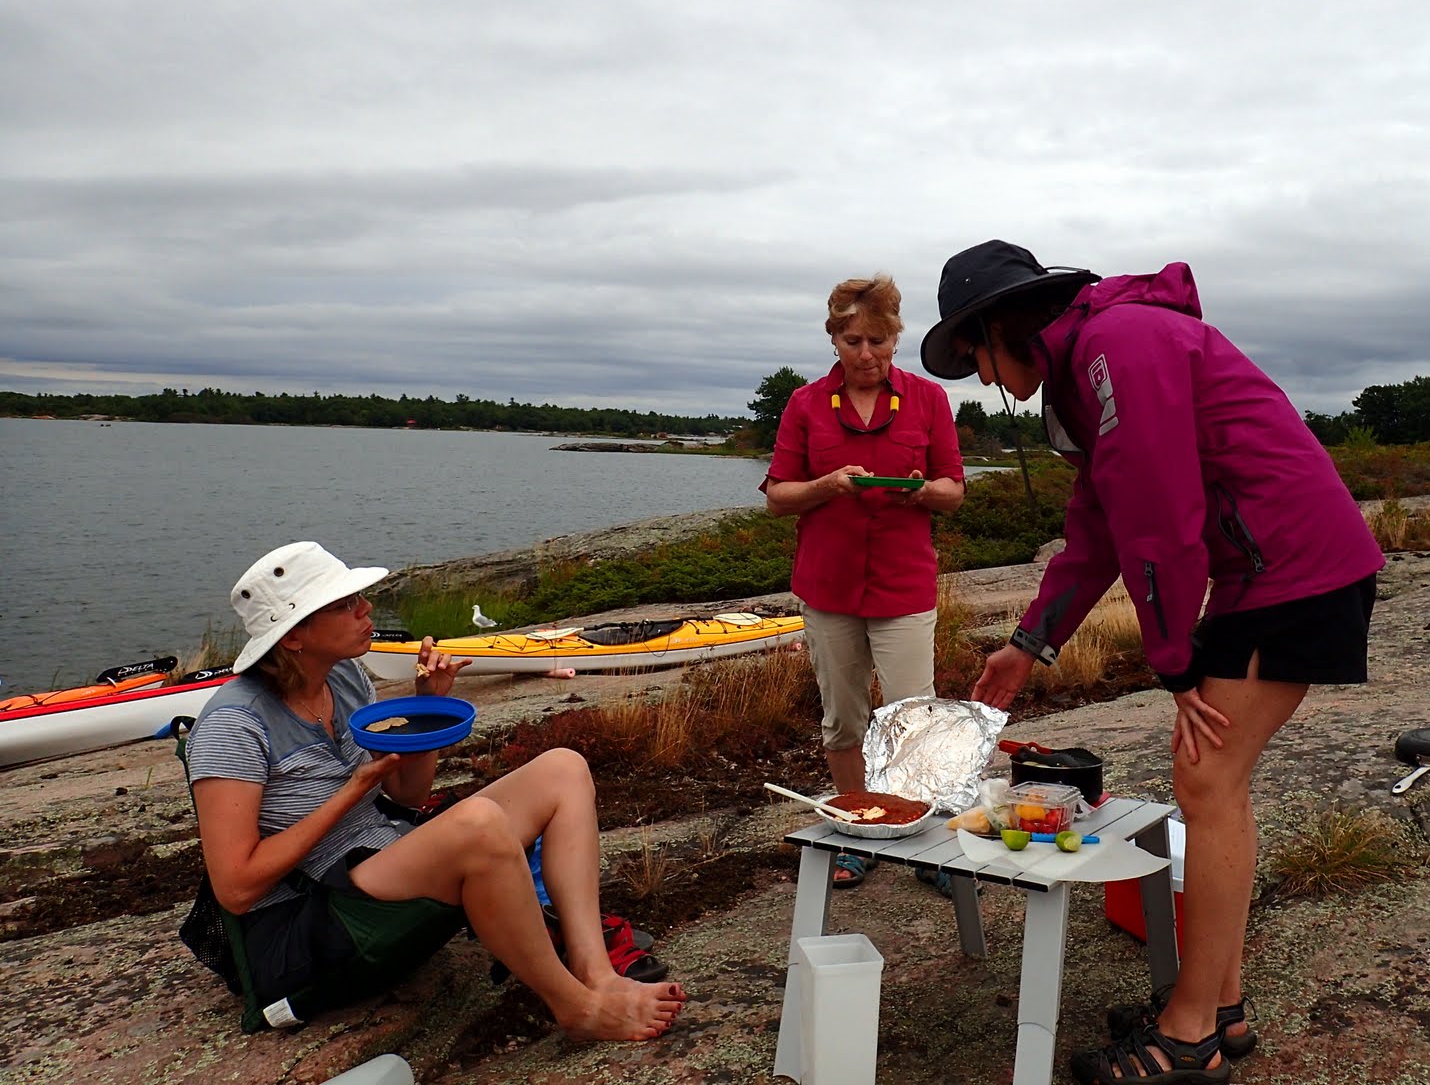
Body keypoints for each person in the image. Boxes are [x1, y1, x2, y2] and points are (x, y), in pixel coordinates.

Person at [921, 241, 1385, 1085]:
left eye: (972, 355)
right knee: (1212, 782)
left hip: (1295, 568)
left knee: (1207, 783)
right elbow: (1097, 526)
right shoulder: (1087, 366)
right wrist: (1028, 645)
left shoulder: (1119, 346)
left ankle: (1189, 1036)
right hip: (1267, 570)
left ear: (999, 325)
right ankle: (1219, 1004)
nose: (981, 378)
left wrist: (1173, 664)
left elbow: (1160, 519)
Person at [186, 541, 685, 1041]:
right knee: (478, 825)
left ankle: (596, 972)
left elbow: (405, 797)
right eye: (345, 604)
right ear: (294, 635)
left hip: (384, 863)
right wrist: (350, 793)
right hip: (309, 923)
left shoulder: (345, 678)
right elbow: (237, 888)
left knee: (563, 768)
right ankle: (576, 1007)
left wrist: (427, 708)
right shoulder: (234, 725)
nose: (366, 609)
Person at [762, 273, 966, 890]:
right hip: (829, 590)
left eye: (878, 340)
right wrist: (827, 486)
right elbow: (777, 496)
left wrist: (924, 492)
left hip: (903, 588)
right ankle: (857, 831)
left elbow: (954, 490)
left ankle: (923, 843)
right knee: (844, 721)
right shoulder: (805, 405)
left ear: (896, 338)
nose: (867, 353)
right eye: (853, 341)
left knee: (913, 720)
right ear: (834, 340)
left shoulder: (929, 400)